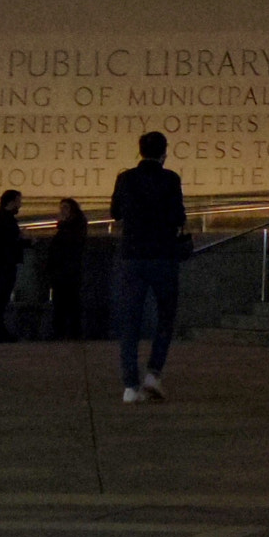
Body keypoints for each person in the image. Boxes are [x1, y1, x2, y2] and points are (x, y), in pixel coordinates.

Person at [110, 130, 187, 403]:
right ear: (164, 152)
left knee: (130, 321)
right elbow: (179, 217)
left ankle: (130, 386)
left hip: (132, 255)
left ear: (140, 151)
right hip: (163, 256)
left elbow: (115, 212)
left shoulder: (126, 178)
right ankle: (154, 373)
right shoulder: (170, 179)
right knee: (165, 317)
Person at [0, 190, 27, 342]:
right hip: (5, 263)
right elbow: (7, 241)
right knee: (1, 298)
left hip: (1, 262)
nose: (20, 204)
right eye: (19, 201)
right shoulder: (6, 220)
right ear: (12, 201)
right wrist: (22, 239)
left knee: (0, 298)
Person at [47, 198, 88, 340]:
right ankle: (65, 331)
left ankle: (66, 332)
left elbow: (69, 245)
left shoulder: (72, 227)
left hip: (68, 270)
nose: (62, 211)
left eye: (65, 207)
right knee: (64, 302)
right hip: (64, 270)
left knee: (69, 302)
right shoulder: (70, 226)